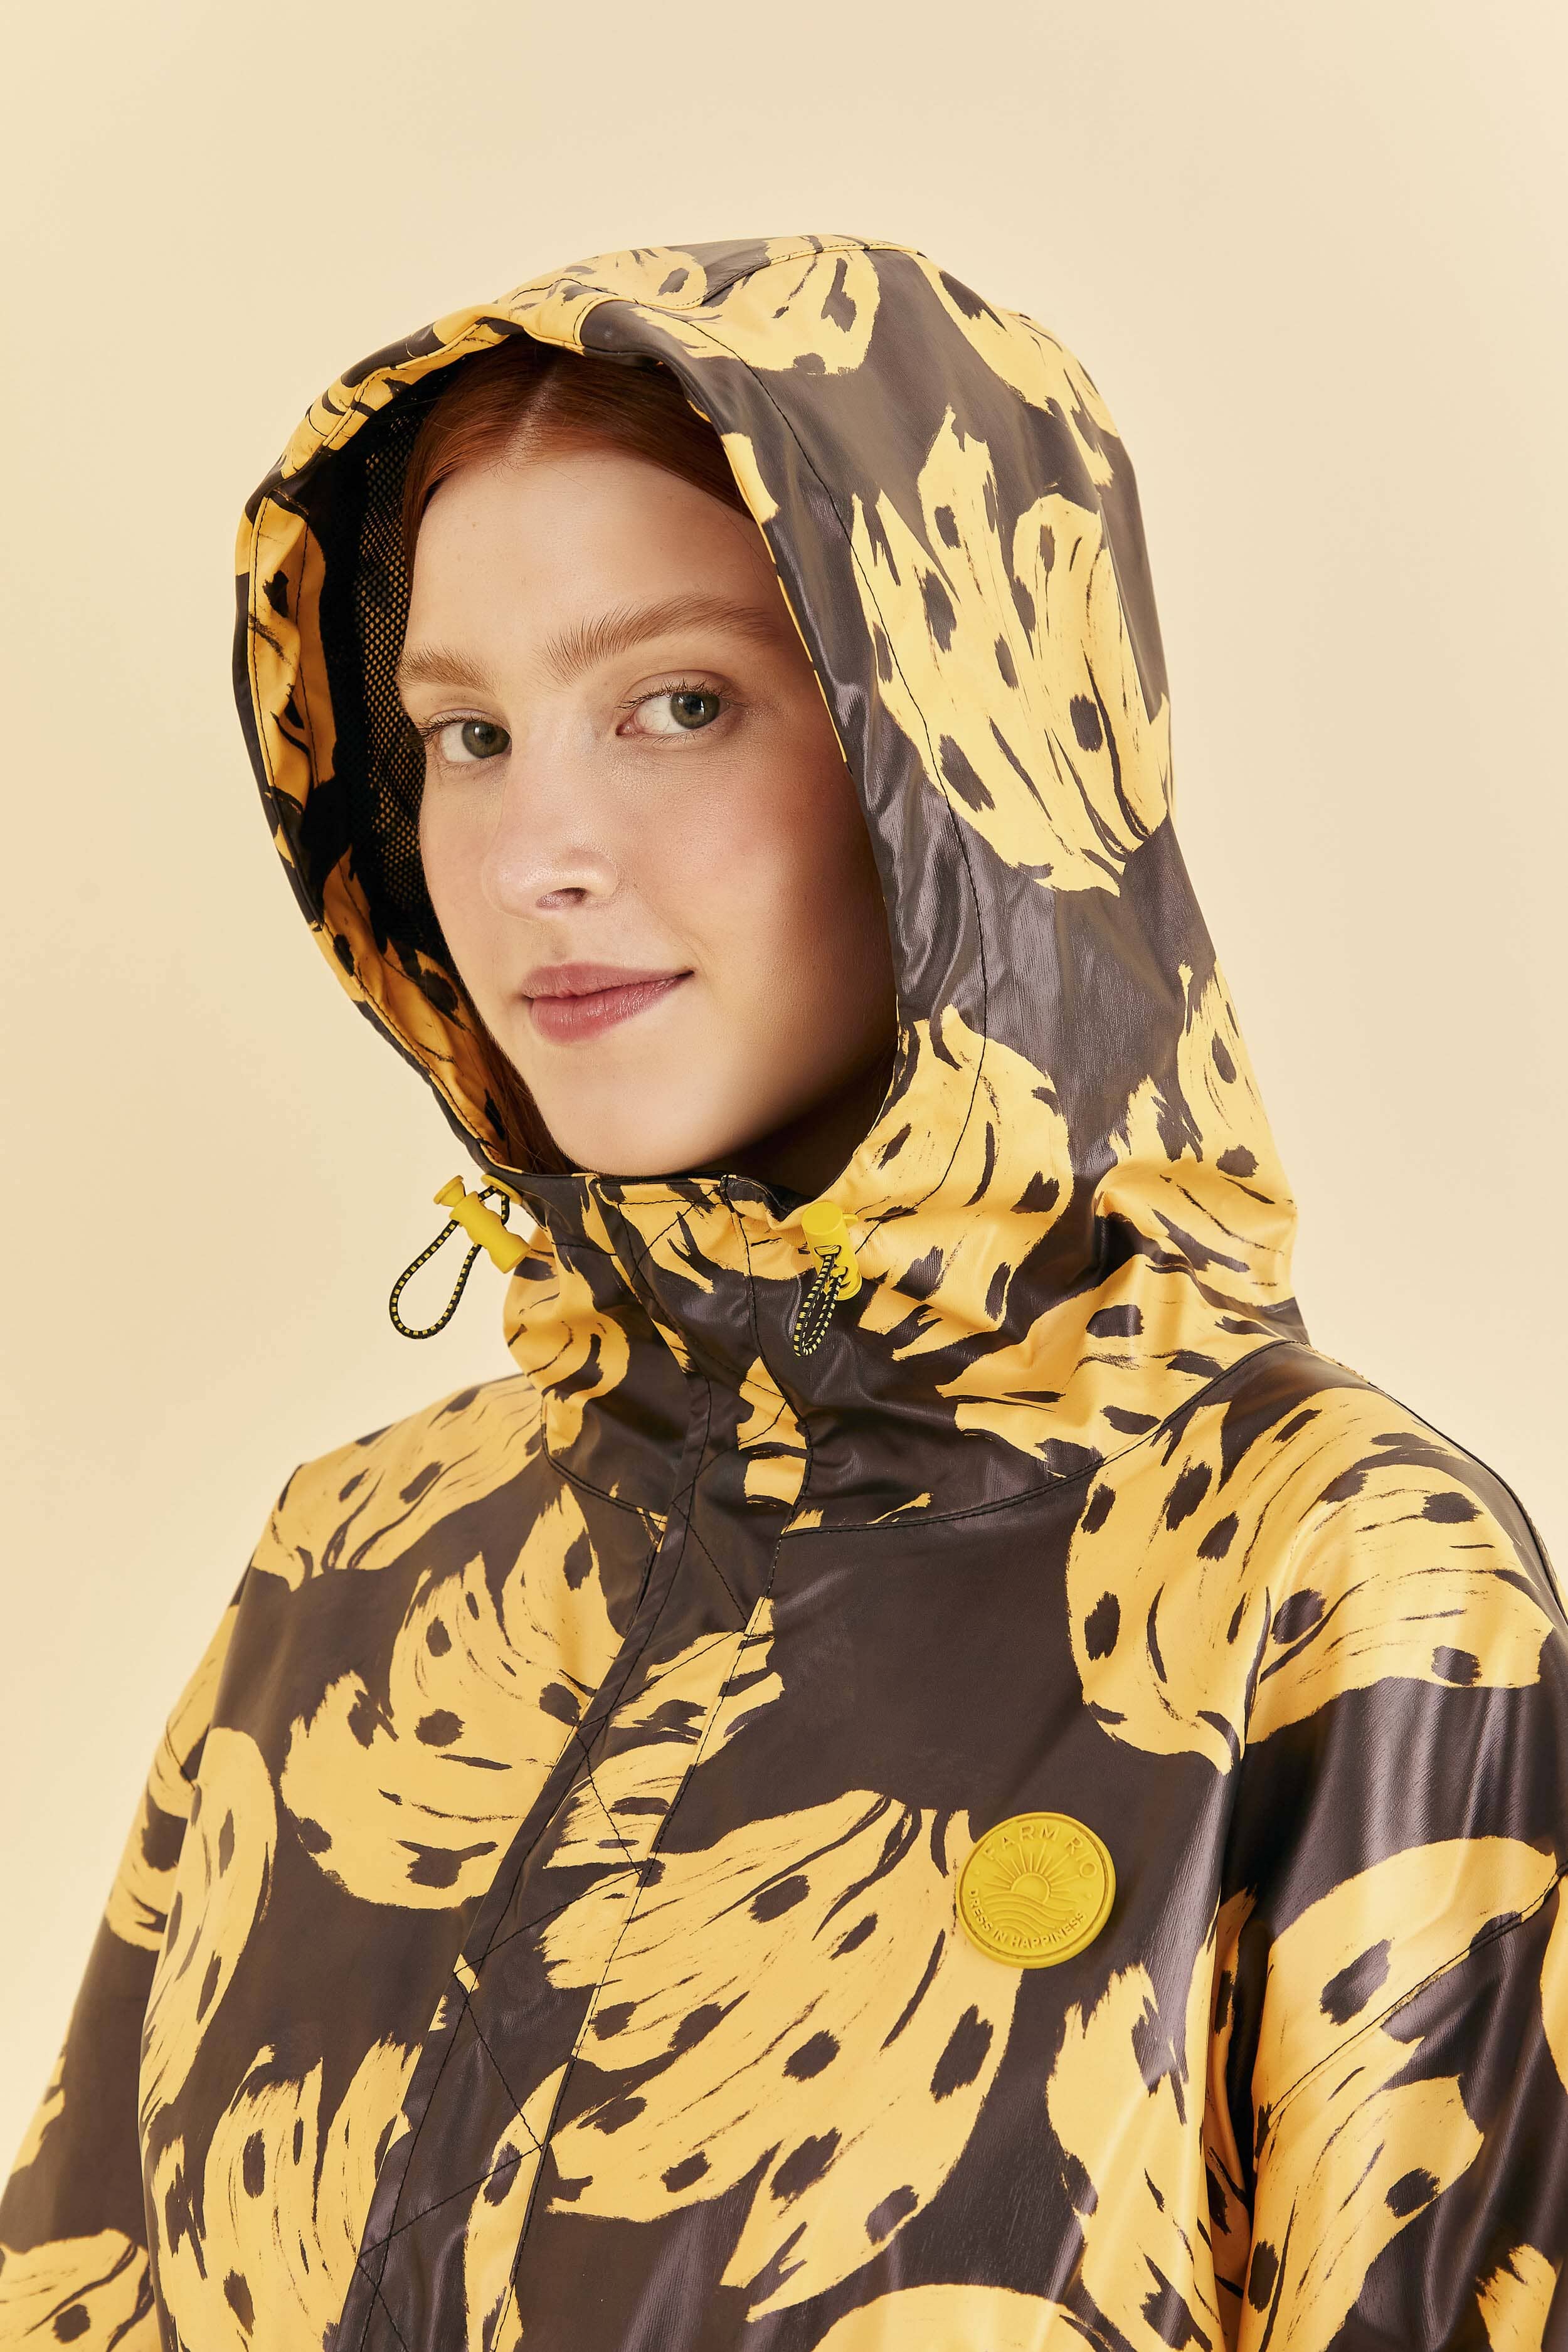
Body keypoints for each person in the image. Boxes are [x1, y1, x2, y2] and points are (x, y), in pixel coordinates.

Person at [1, 233, 1564, 2352]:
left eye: (680, 705)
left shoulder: (1322, 1583)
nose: (534, 855)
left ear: (963, 755)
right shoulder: (357, 1566)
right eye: (465, 733)